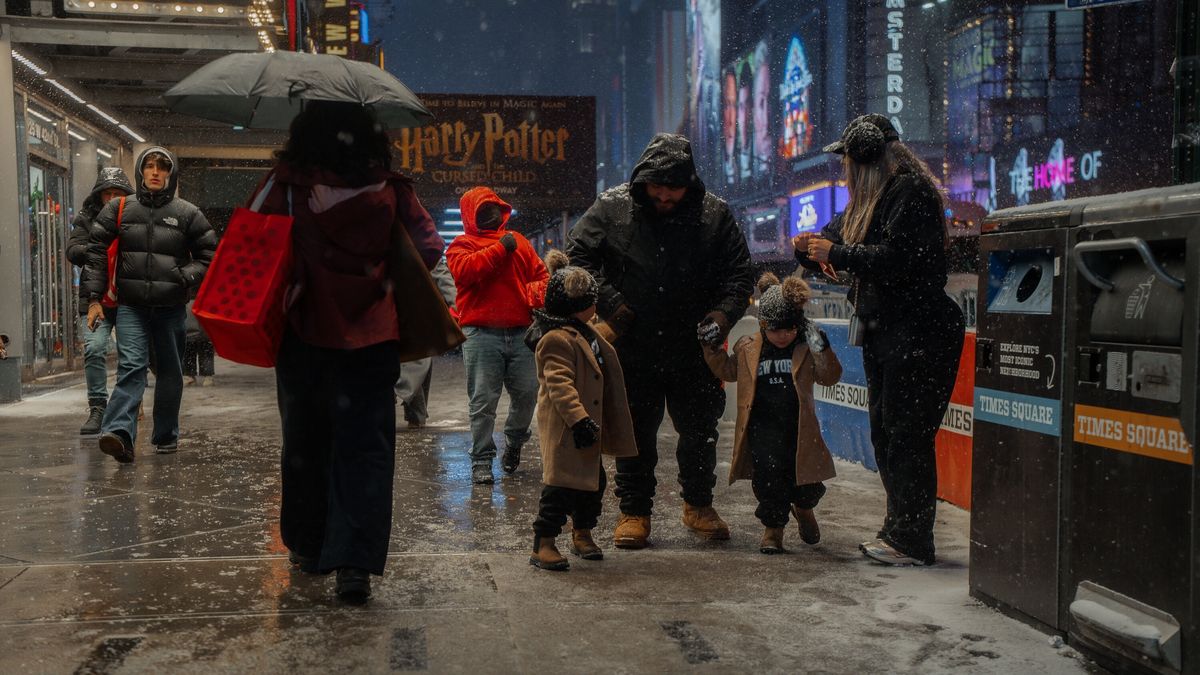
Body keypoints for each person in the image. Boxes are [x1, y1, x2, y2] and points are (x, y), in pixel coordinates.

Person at [255, 101, 443, 603]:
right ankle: (354, 563)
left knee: (305, 443)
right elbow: (426, 248)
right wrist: (377, 271)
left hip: (304, 334)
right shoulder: (392, 189)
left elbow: (252, 239)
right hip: (372, 338)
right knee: (366, 449)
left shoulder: (286, 185)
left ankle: (309, 545)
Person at [567, 132, 754, 549]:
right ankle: (634, 512)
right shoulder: (611, 207)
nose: (665, 196)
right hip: (632, 347)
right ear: (642, 181)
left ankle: (699, 506)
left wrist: (722, 317)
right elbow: (577, 258)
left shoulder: (714, 215)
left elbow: (740, 275)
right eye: (657, 187)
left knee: (701, 431)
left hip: (696, 349)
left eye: (673, 187)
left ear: (689, 184)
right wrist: (611, 303)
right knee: (634, 435)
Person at [793, 114, 965, 566]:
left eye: (847, 161)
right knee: (886, 433)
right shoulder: (868, 199)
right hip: (883, 329)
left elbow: (899, 258)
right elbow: (833, 240)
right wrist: (808, 248)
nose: (844, 171)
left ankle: (912, 538)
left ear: (867, 158)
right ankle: (898, 529)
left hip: (919, 332)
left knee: (907, 435)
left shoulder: (911, 193)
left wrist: (837, 253)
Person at [83, 147, 216, 462]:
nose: (156, 172)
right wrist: (93, 299)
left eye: (162, 167)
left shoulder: (187, 213)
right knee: (132, 366)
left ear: (170, 174)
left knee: (170, 370)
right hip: (132, 307)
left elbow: (210, 254)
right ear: (141, 171)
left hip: (170, 309)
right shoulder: (120, 208)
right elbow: (95, 251)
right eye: (150, 166)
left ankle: (166, 435)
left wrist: (183, 276)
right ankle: (118, 433)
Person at [702, 273, 842, 554]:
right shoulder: (748, 347)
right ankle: (773, 529)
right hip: (762, 430)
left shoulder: (805, 346)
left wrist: (822, 349)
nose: (782, 336)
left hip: (799, 430)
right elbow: (728, 371)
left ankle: (804, 509)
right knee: (768, 483)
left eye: (789, 329)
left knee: (808, 484)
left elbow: (829, 377)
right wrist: (711, 347)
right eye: (775, 329)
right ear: (763, 325)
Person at [525, 251, 637, 571]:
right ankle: (544, 543)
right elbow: (560, 387)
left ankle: (583, 532)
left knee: (593, 484)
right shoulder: (557, 340)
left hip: (587, 429)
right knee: (559, 488)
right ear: (578, 306)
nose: (596, 306)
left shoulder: (585, 332)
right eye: (592, 301)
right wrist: (579, 419)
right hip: (568, 431)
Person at [446, 187, 549, 485]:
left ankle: (514, 441)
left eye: (494, 207)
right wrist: (500, 248)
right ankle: (481, 460)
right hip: (480, 335)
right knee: (482, 402)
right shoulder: (460, 245)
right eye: (483, 208)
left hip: (521, 334)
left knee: (528, 393)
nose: (491, 213)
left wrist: (531, 296)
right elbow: (467, 272)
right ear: (469, 214)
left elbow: (540, 276)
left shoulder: (518, 241)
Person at [66, 167, 133, 435]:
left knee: (131, 355)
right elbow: (73, 250)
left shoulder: (134, 216)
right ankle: (98, 408)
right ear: (100, 195)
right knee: (94, 349)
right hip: (93, 297)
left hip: (128, 296)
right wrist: (100, 247)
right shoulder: (87, 218)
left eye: (118, 193)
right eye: (108, 193)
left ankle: (127, 404)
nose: (112, 198)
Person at [395, 258, 457, 428]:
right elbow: (441, 274)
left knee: (416, 363)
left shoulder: (419, 243)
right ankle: (415, 416)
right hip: (399, 312)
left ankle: (415, 416)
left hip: (411, 314)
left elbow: (440, 272)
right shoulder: (420, 241)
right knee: (416, 363)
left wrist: (457, 305)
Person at [182, 298, 215, 386]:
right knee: (193, 342)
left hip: (195, 300)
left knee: (194, 343)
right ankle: (202, 375)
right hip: (194, 300)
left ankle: (192, 374)